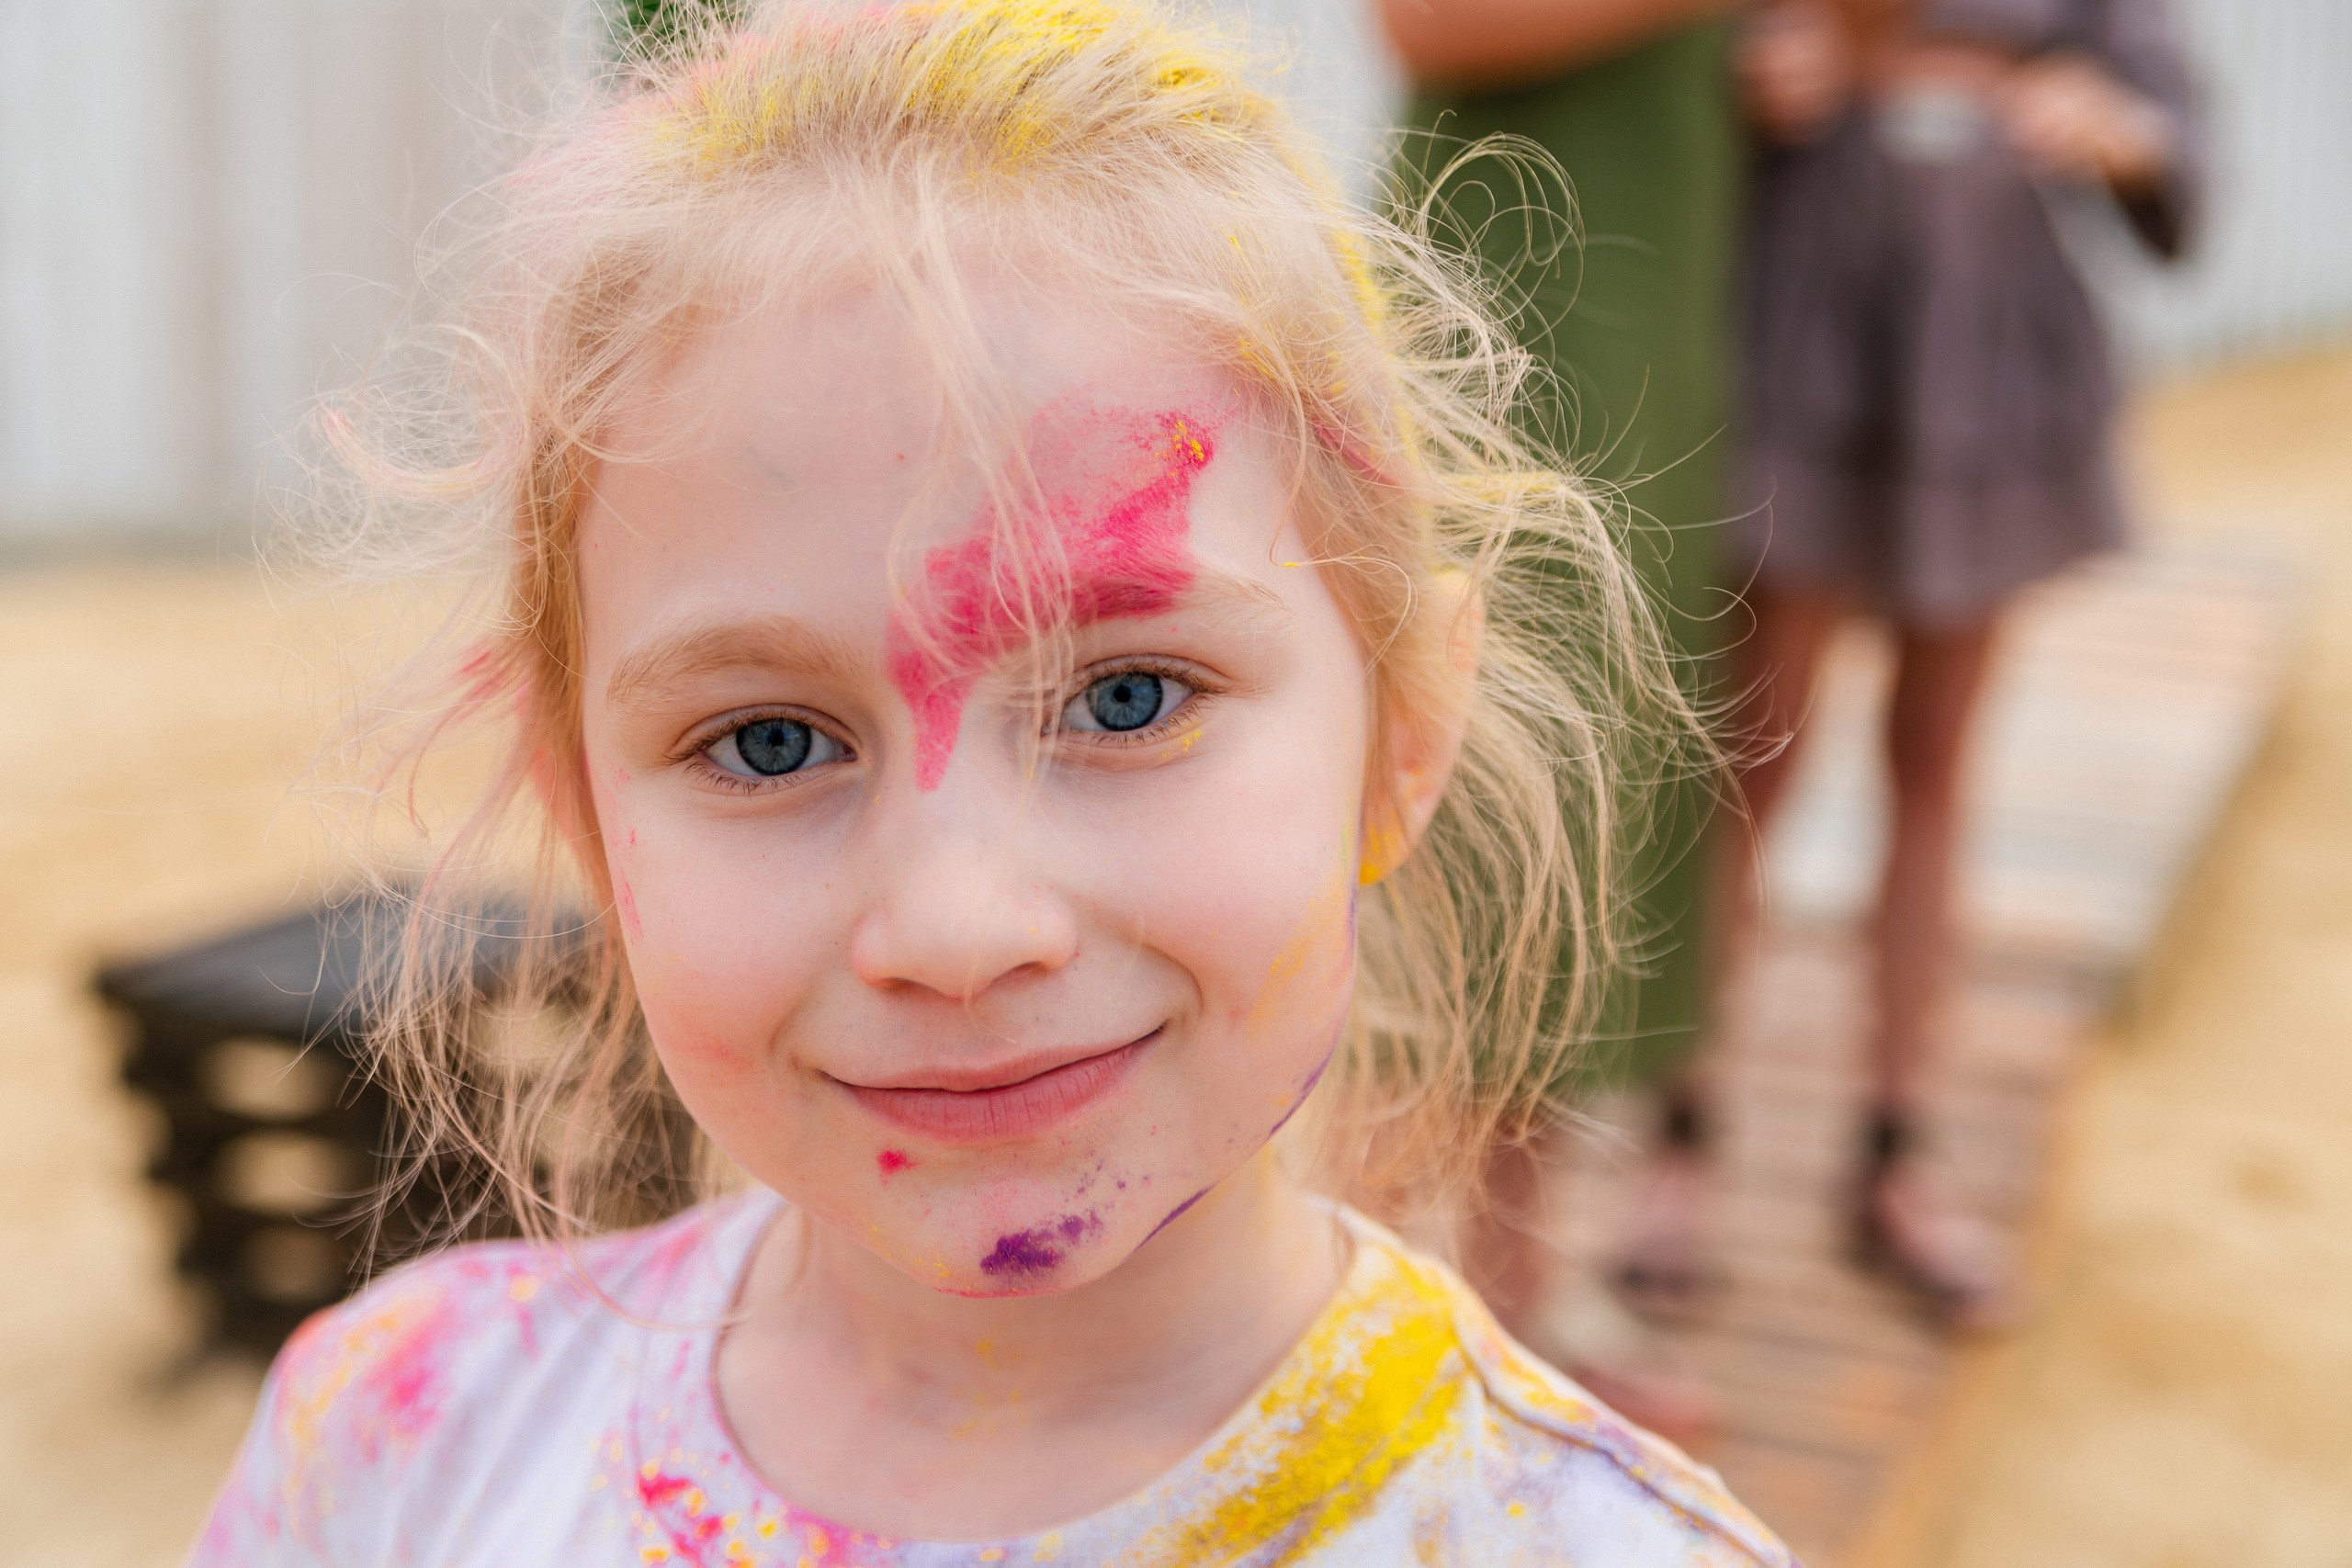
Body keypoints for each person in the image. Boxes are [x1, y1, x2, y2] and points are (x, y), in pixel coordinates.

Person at [183, 2, 1792, 1562]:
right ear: (588, 812)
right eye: (767, 742)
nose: (957, 926)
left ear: (1406, 731)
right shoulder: (395, 1452)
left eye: (1129, 695)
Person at [1618, 0, 2201, 1332]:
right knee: (1751, 762)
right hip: (1803, 336)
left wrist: (2113, 127)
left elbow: (2162, 112)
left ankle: (1897, 1151)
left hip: (1986, 357)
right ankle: (1681, 1143)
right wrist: (1760, 78)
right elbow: (1677, 82)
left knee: (1936, 762)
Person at [1379, 0, 1746, 1437]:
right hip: (1520, 314)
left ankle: (1514, 1284)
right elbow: (1427, 26)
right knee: (1487, 807)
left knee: (1604, 794)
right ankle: (1445, 1299)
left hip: (1650, 317)